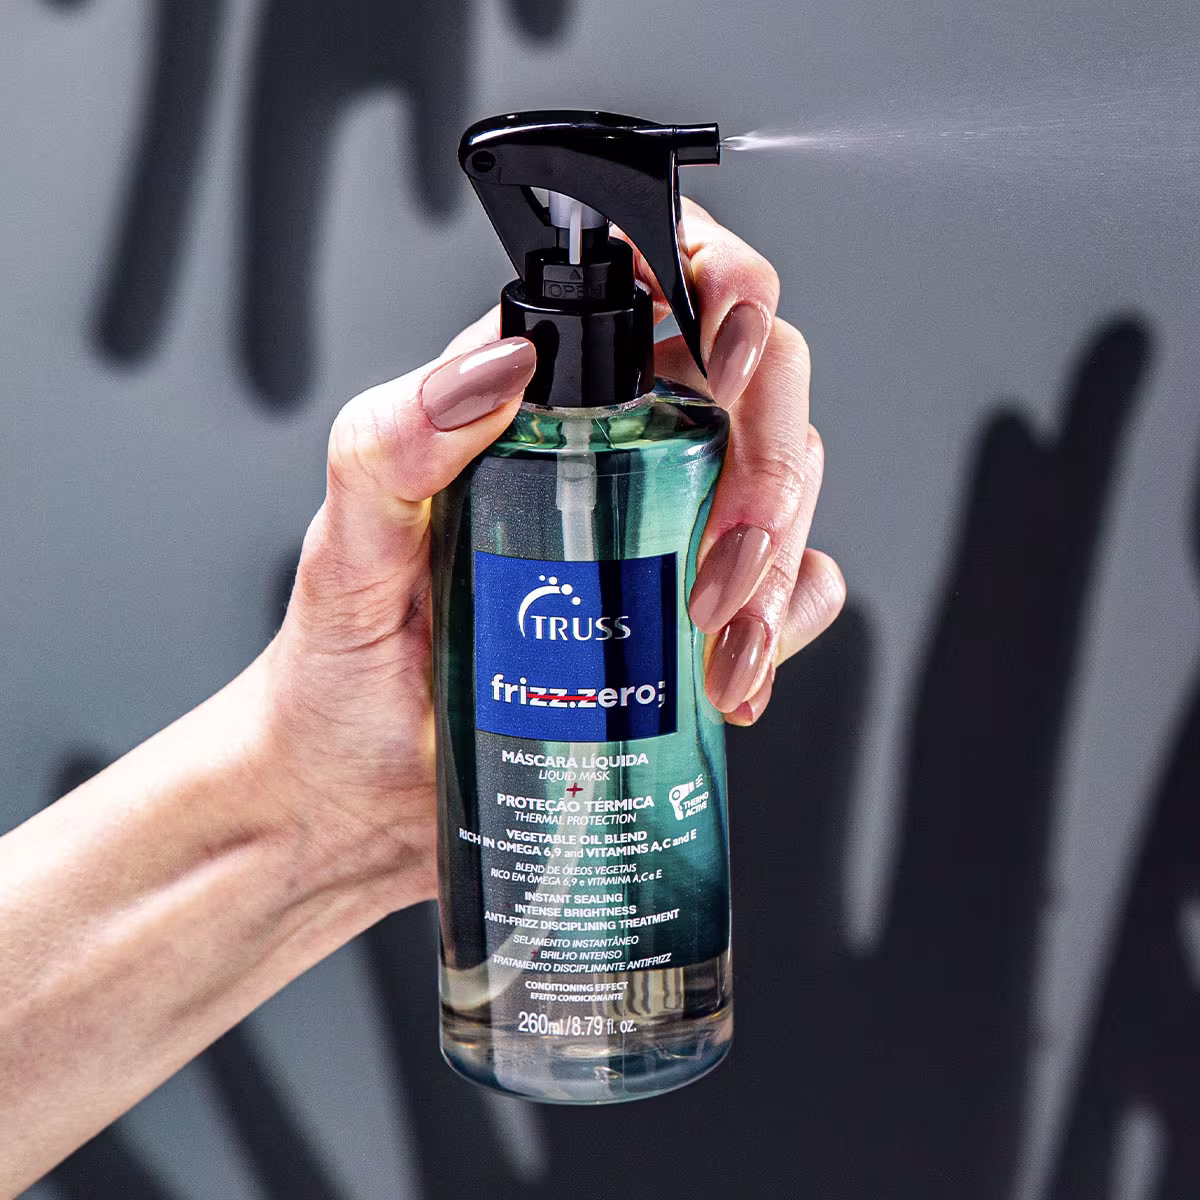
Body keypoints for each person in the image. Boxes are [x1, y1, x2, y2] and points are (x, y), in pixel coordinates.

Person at [0, 202, 844, 1195]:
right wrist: (311, 788)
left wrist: (308, 800)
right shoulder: (495, 452)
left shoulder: (675, 441)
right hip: (505, 913)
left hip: (649, 951)